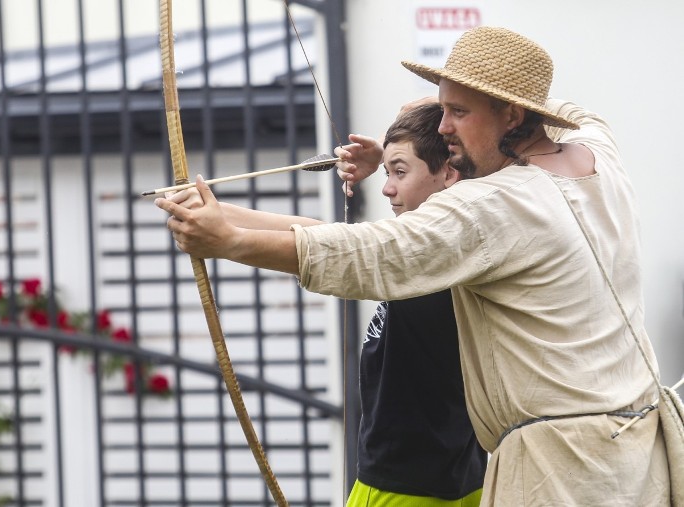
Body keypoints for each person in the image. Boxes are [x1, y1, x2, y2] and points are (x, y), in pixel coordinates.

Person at [157, 26, 670, 505]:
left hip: (563, 474)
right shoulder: (599, 152)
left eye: (459, 112)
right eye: (442, 110)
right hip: (637, 458)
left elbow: (373, 253)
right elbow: (565, 110)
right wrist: (440, 113)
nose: (444, 126)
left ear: (512, 115)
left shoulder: (492, 206)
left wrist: (228, 241)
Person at [169, 104, 486, 505]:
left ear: (449, 174)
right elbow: (325, 235)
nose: (387, 187)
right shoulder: (452, 242)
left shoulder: (432, 251)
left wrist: (226, 239)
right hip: (460, 480)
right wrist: (220, 214)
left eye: (399, 173)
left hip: (405, 487)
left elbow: (330, 248)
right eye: (388, 173)